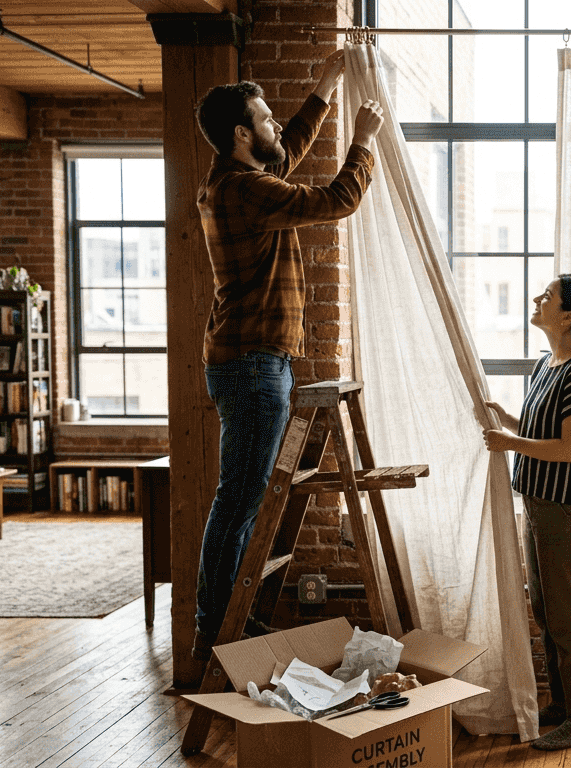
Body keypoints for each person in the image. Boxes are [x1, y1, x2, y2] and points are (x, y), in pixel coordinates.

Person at [190, 50, 384, 664]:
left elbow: (286, 151)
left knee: (242, 500)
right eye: (266, 118)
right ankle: (216, 636)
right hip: (253, 364)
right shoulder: (244, 189)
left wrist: (325, 87)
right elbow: (335, 201)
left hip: (251, 360)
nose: (276, 125)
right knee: (239, 502)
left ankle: (225, 626)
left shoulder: (238, 180)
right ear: (241, 134)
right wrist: (362, 141)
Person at [483, 275, 571, 751]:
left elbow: (568, 449)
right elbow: (544, 428)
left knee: (569, 618)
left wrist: (509, 442)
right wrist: (509, 420)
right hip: (539, 504)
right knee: (546, 610)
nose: (537, 299)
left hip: (566, 509)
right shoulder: (548, 363)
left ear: (568, 317)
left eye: (548, 296)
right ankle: (562, 705)